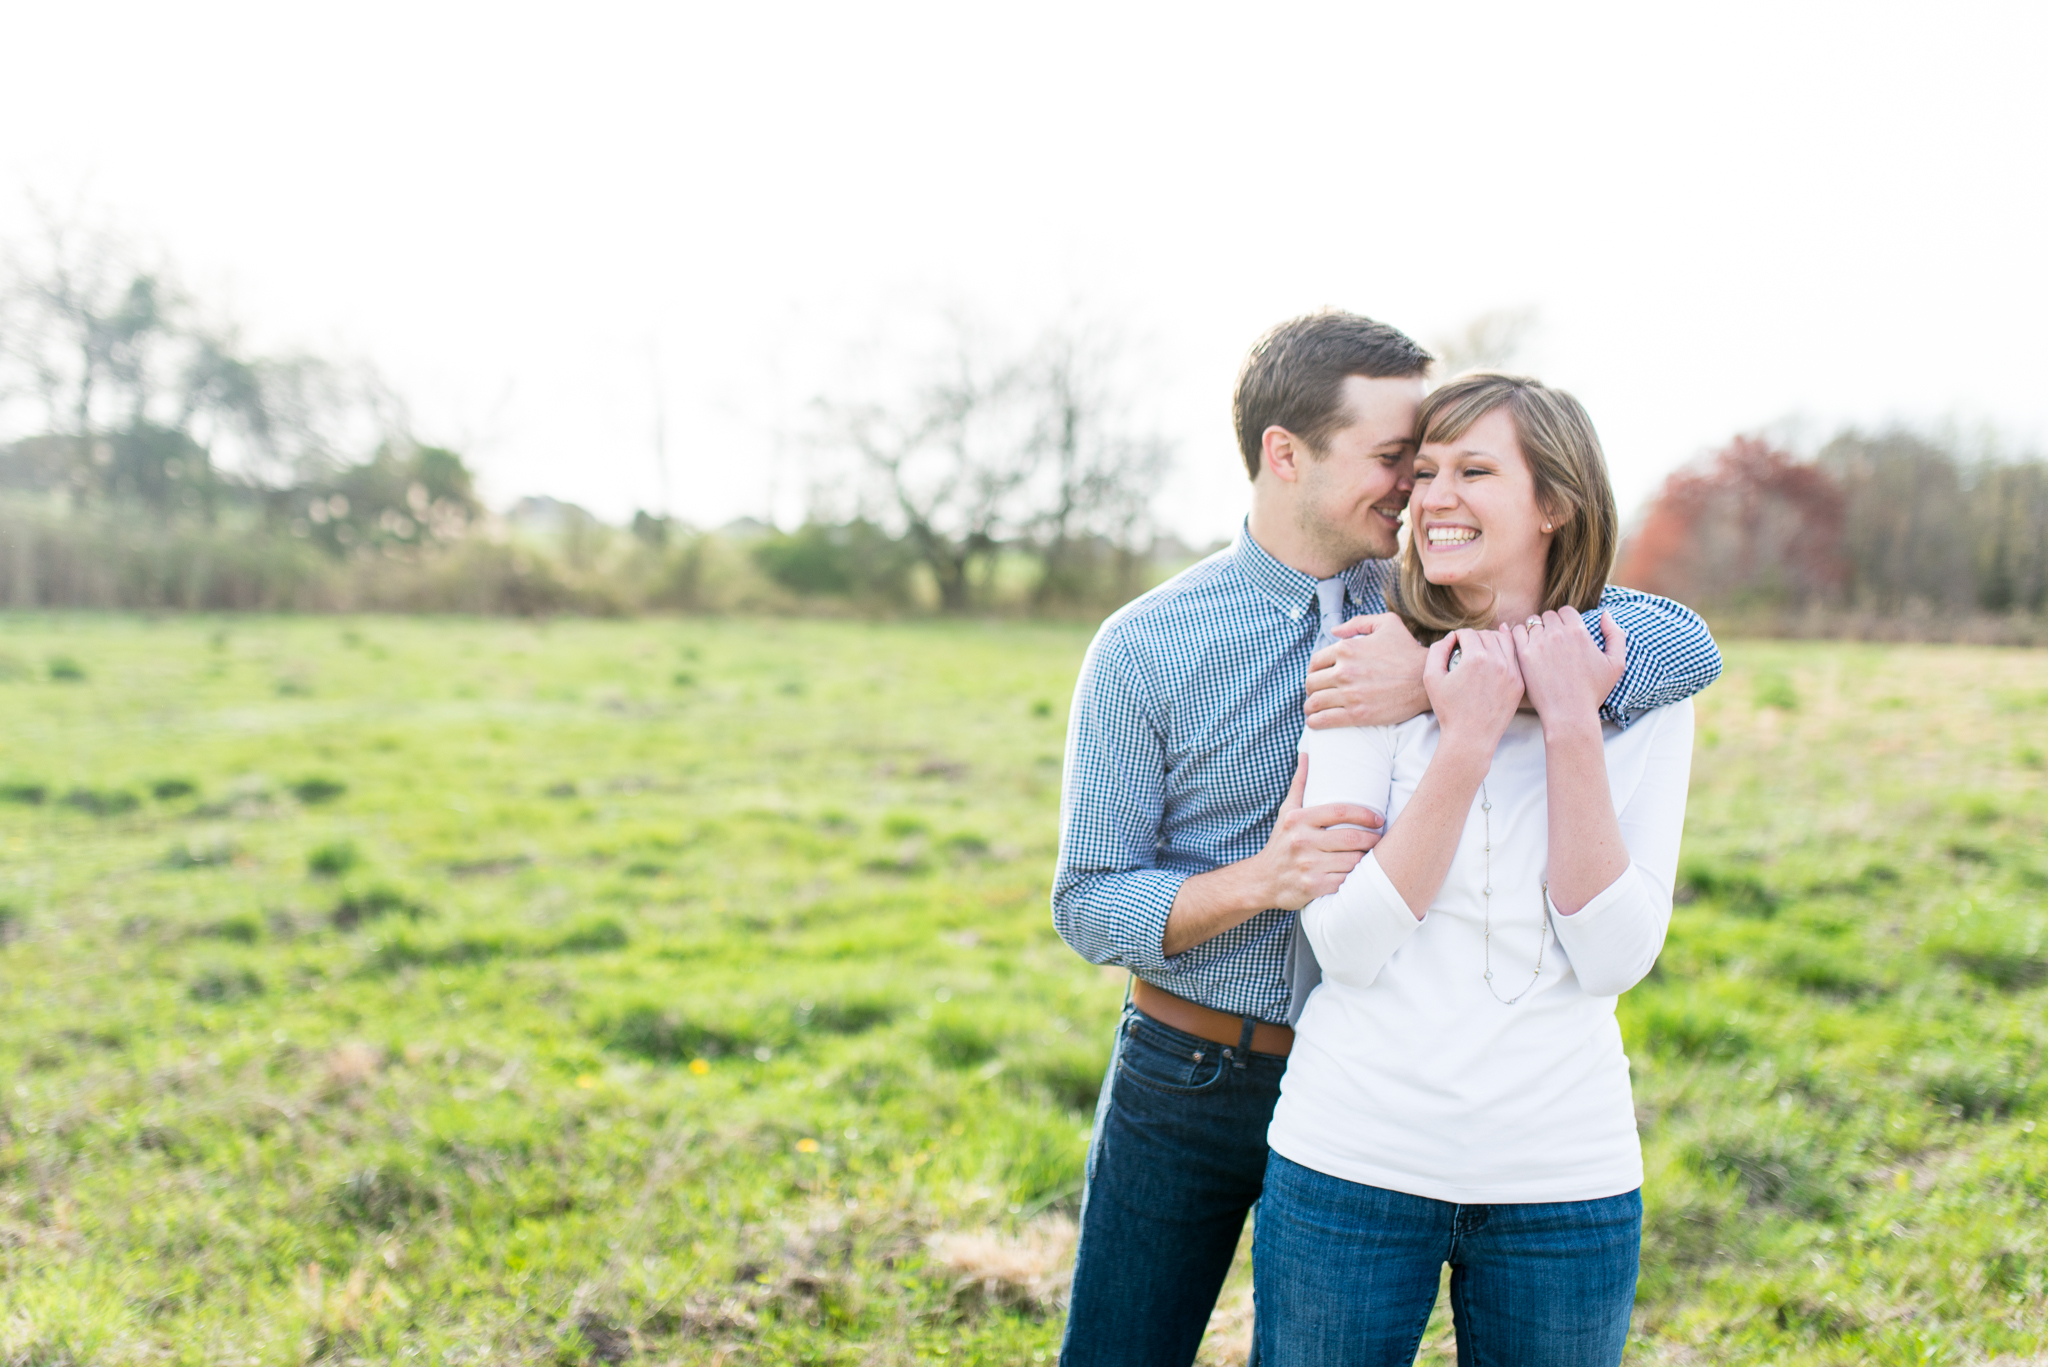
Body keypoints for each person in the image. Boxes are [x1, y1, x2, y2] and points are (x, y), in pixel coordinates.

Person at [1052, 311, 1723, 1367]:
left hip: (1358, 1076)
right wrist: (1257, 882)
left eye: (1436, 464)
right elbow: (1086, 900)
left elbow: (1681, 644)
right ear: (1285, 454)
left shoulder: (1416, 608)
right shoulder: (1146, 643)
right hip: (1191, 1070)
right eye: (1392, 460)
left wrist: (1441, 680)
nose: (1417, 490)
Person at [1254, 373, 1694, 1365]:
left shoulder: (1641, 688)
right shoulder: (1365, 662)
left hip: (1562, 1177)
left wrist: (1571, 718)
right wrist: (1460, 738)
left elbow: (1613, 952)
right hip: (1351, 1159)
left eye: (1473, 469)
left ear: (1552, 501)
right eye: (1424, 472)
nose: (1433, 495)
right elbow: (1348, 943)